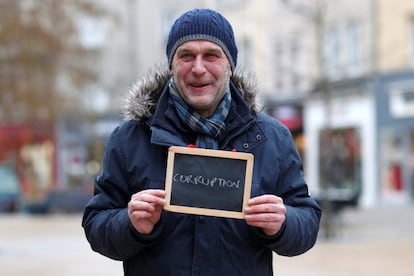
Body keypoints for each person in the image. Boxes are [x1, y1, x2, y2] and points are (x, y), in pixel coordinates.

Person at [82, 8, 321, 276]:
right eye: (186, 56)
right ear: (172, 66)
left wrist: (284, 222)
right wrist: (130, 224)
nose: (198, 68)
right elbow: (96, 226)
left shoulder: (271, 138)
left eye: (211, 55)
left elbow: (308, 222)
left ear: (230, 66)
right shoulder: (130, 139)